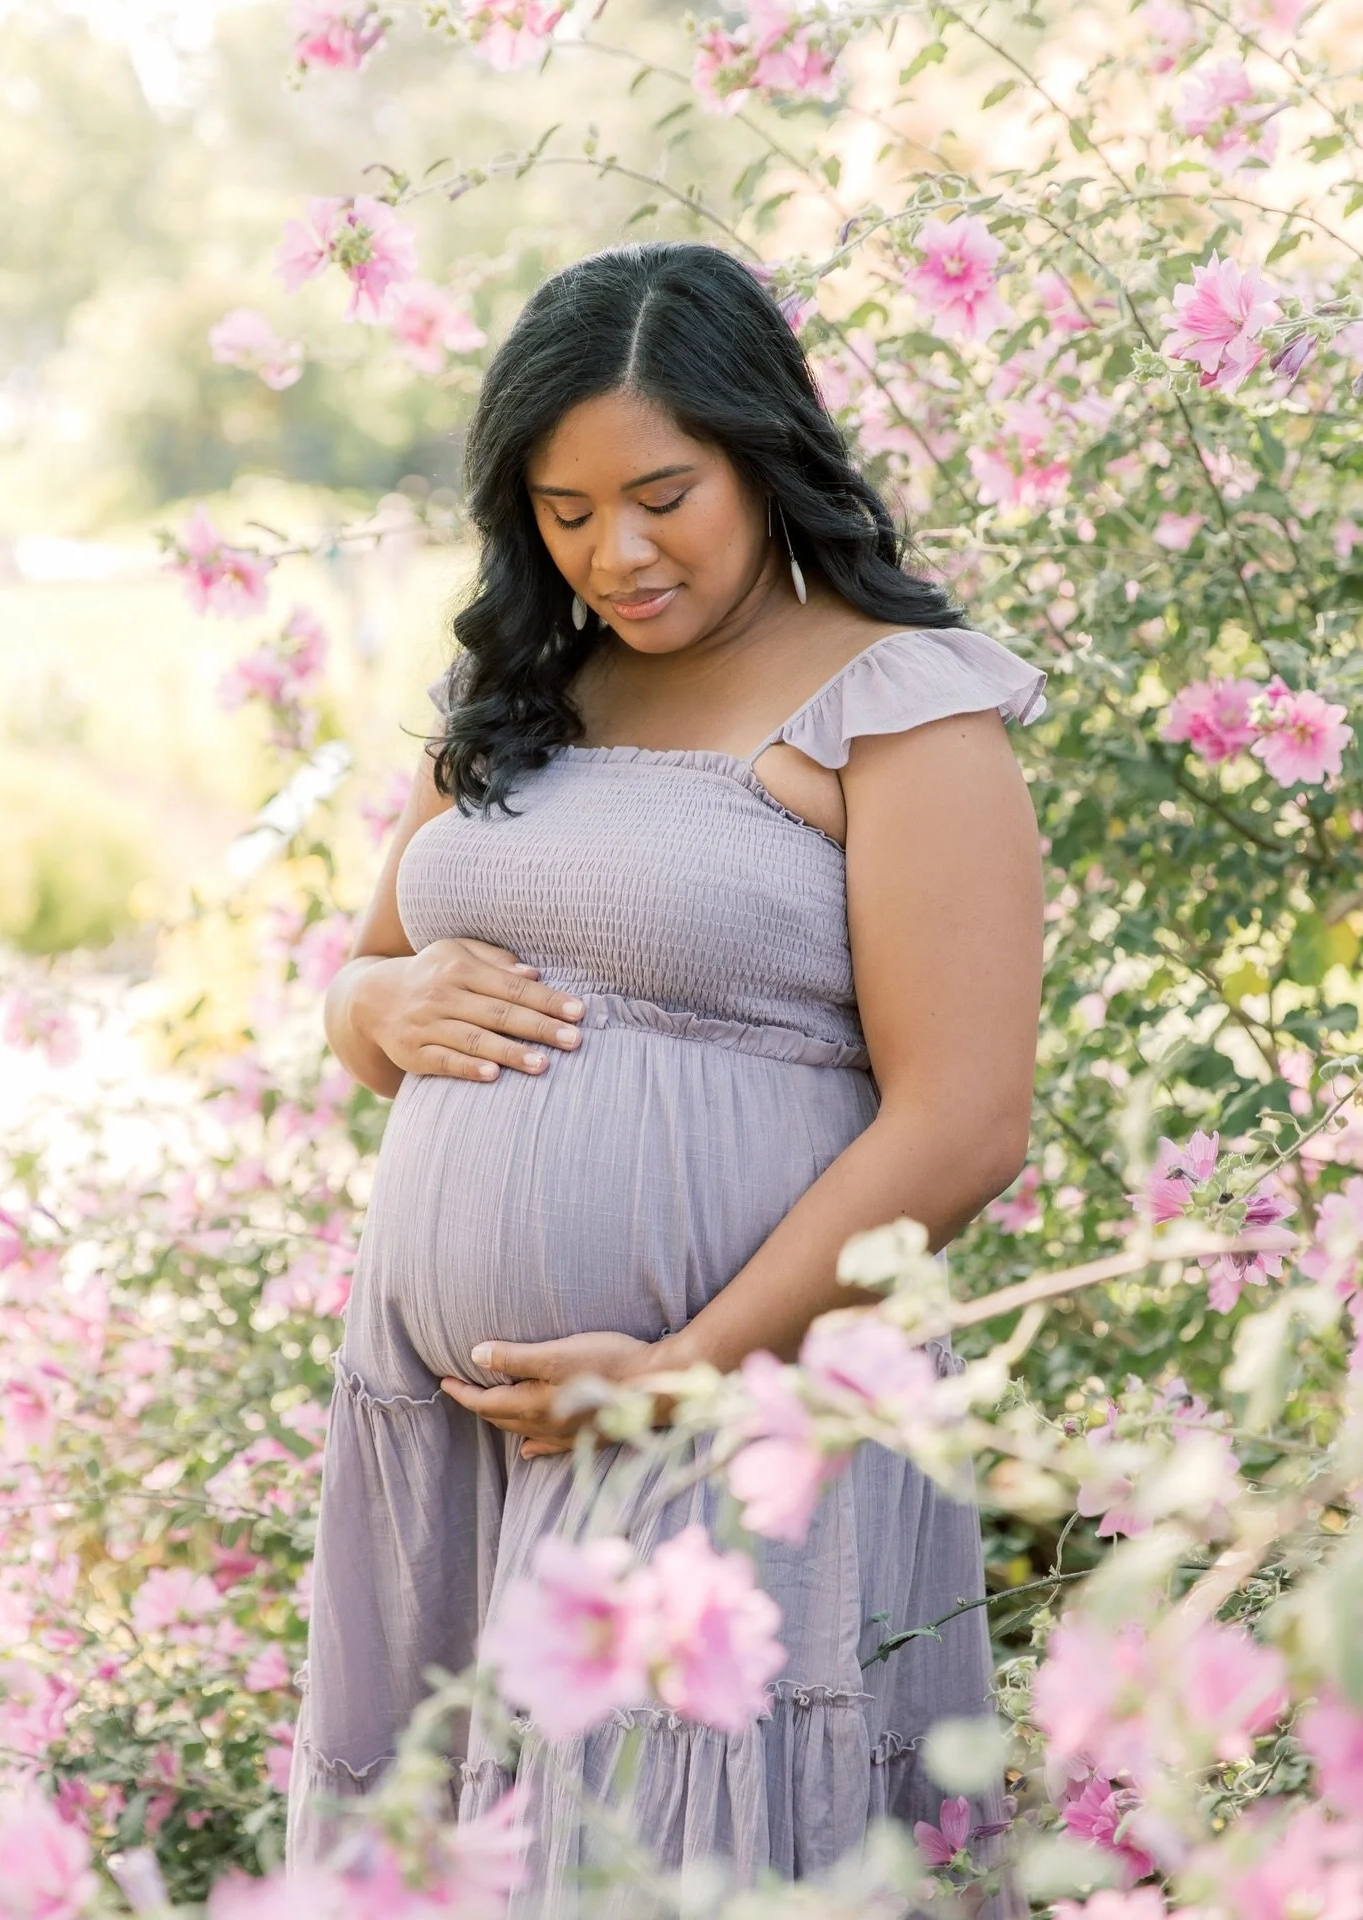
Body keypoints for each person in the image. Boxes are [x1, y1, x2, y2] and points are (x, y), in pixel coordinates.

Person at [287, 240, 1046, 1903]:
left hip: (723, 1409)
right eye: (563, 511)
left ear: (763, 456)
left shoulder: (899, 707)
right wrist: (379, 1007)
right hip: (453, 1431)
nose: (615, 553)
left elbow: (964, 1122)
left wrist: (676, 1376)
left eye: (661, 496)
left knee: (662, 1850)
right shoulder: (520, 690)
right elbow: (365, 986)